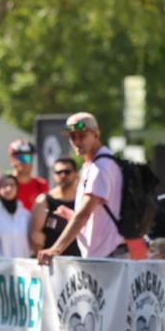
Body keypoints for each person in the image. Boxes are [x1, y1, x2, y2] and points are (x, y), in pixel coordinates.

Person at [38, 112, 124, 263]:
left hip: (108, 257)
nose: (77, 141)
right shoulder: (98, 163)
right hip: (106, 255)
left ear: (96, 134)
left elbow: (84, 214)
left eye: (82, 136)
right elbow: (95, 213)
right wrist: (72, 215)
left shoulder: (100, 167)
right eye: (72, 137)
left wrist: (55, 249)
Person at [29, 156, 80, 256]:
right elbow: (36, 237)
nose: (62, 175)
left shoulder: (83, 200)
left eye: (67, 171)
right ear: (54, 175)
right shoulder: (44, 201)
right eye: (58, 172)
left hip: (80, 263)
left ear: (75, 174)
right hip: (54, 264)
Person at [0, 140, 48, 211]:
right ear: (12, 159)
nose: (26, 162)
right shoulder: (0, 183)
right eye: (21, 158)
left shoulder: (41, 184)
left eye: (29, 158)